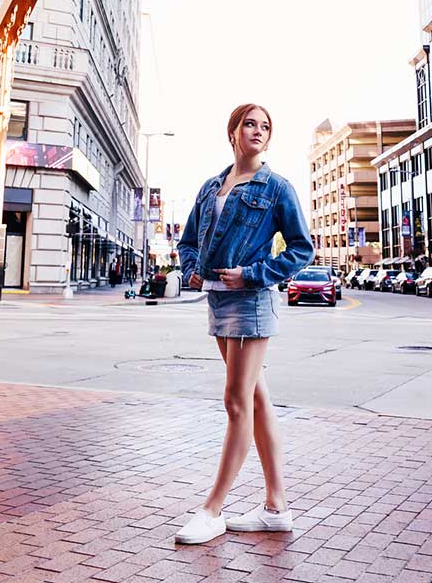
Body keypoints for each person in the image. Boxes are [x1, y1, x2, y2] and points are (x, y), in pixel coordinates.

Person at [174, 103, 313, 545]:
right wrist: (193, 268)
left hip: (253, 301)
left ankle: (212, 508)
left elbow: (300, 249)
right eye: (249, 123)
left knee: (236, 401)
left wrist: (253, 273)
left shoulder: (277, 188)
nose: (258, 130)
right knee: (256, 399)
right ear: (232, 132)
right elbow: (188, 241)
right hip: (218, 301)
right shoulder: (212, 185)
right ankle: (276, 507)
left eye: (265, 126)